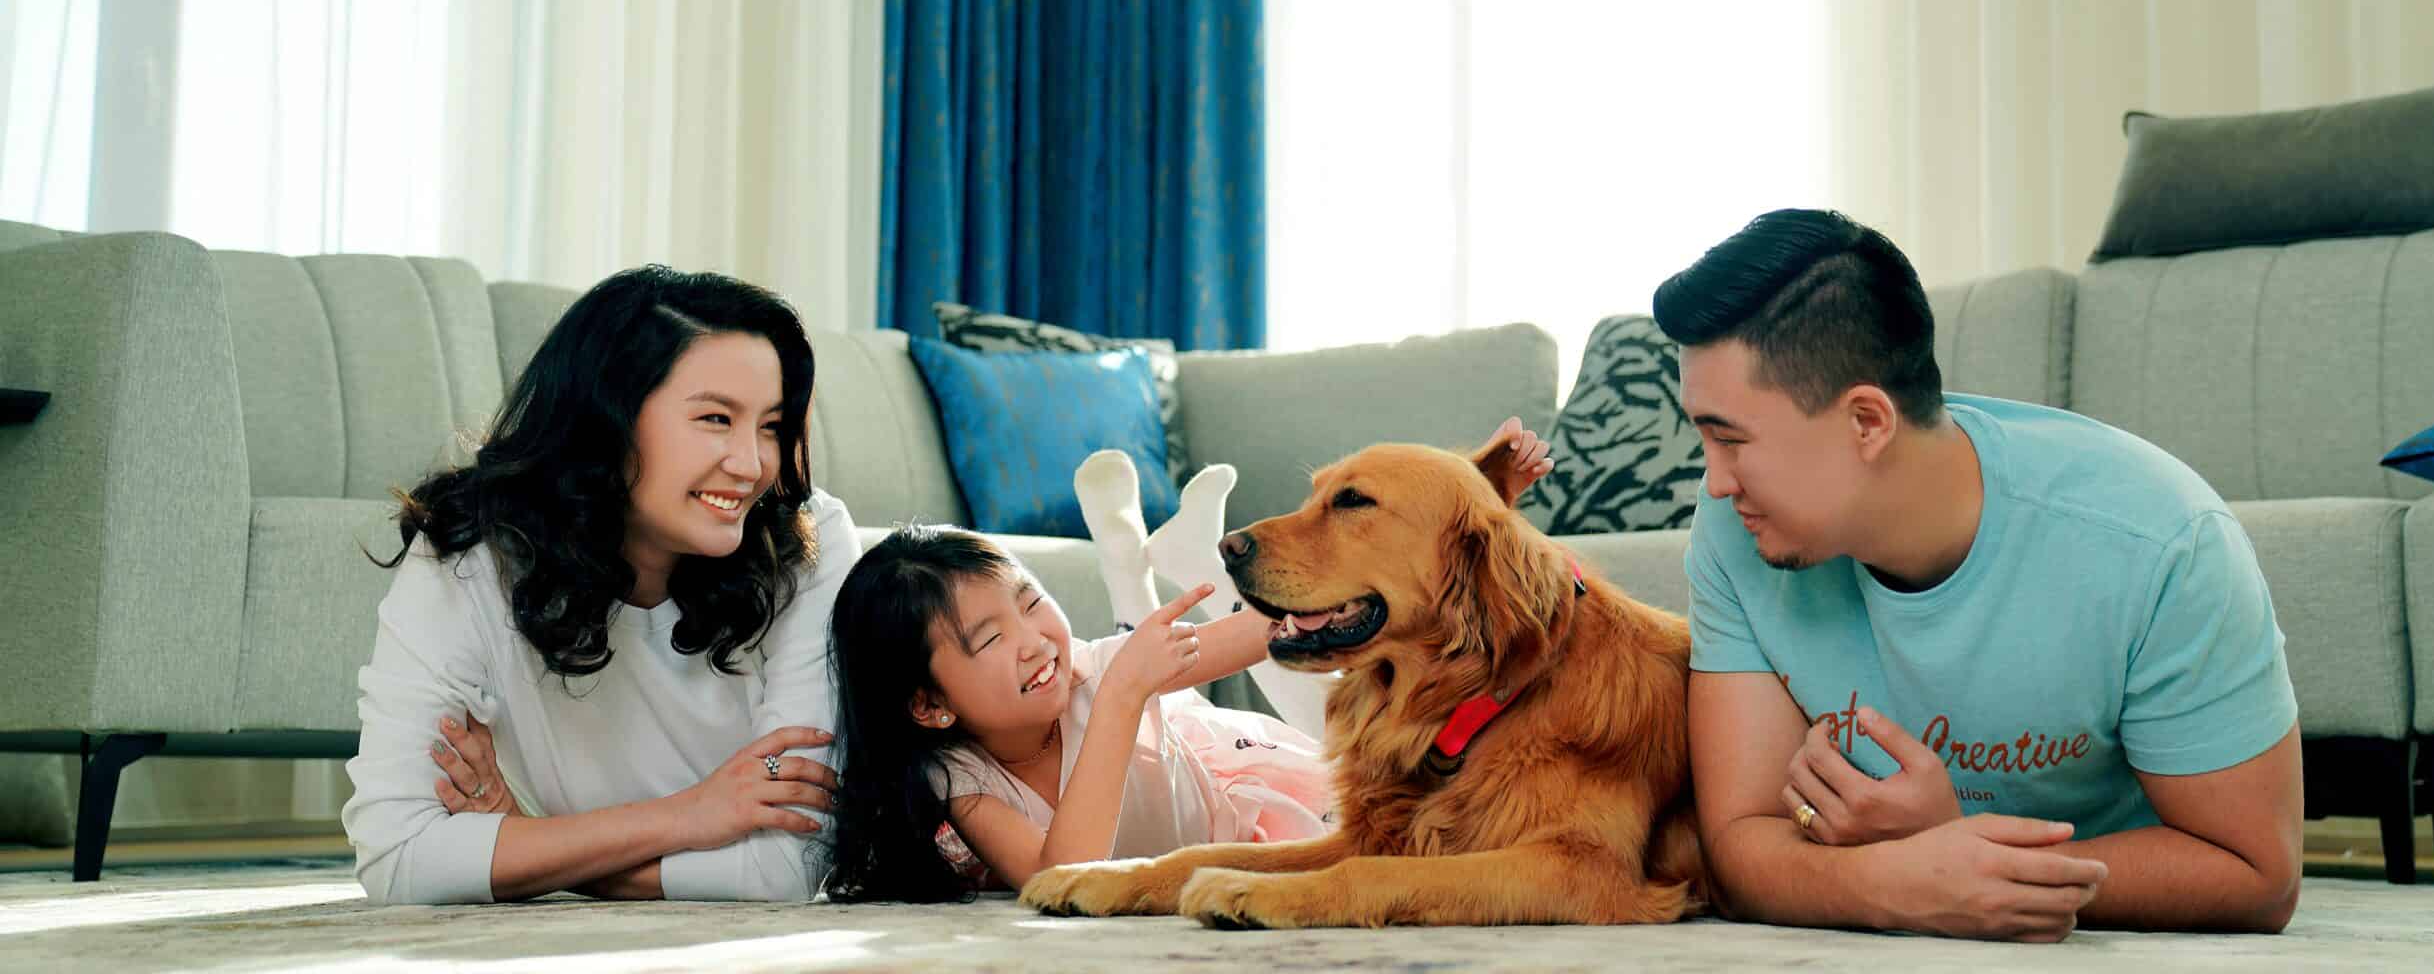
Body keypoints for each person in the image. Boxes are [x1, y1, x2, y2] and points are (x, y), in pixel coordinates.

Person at [1669, 210, 2302, 941]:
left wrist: (1969, 855)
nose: (1713, 482)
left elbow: (2259, 873)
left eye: (1730, 438)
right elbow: (1740, 838)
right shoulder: (1733, 532)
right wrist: (1894, 879)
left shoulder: (2161, 543)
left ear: (1867, 422)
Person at [826, 428, 1554, 902]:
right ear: (930, 705)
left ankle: (1179, 560)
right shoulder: (961, 778)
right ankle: (1157, 560)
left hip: (1243, 796)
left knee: (1394, 785)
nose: (1034, 639)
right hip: (1185, 833)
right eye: (989, 639)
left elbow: (1264, 630)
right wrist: (1122, 695)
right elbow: (1061, 878)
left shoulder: (1093, 667)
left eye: (1031, 601)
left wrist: (1472, 503)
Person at [342, 267, 857, 904]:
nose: (752, 465)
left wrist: (527, 842)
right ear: (607, 418)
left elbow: (783, 872)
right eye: (717, 419)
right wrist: (689, 815)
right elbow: (397, 855)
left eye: (772, 427)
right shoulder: (469, 550)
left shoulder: (809, 542)